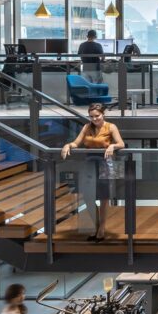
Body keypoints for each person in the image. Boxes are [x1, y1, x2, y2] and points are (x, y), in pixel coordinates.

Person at [61, 103, 124, 241]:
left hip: (105, 163)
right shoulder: (86, 127)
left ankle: (102, 227)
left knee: (104, 197)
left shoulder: (111, 127)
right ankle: (94, 225)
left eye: (97, 116)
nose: (94, 119)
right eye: (91, 117)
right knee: (88, 196)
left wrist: (113, 145)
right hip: (89, 163)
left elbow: (121, 143)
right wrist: (68, 145)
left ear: (103, 114)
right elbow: (76, 143)